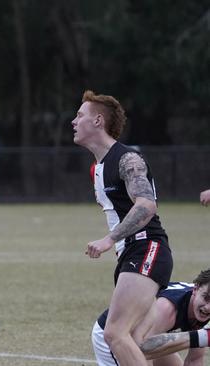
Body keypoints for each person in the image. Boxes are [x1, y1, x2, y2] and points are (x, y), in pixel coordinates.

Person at [72, 90, 173, 366]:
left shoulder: (128, 159)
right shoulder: (98, 167)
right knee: (140, 339)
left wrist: (109, 239)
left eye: (80, 115)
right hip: (134, 253)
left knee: (115, 333)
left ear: (98, 121)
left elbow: (146, 204)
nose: (73, 121)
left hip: (147, 248)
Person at [92, 268, 210, 365]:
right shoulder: (166, 308)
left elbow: (195, 360)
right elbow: (143, 350)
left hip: (148, 338)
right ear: (195, 289)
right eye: (206, 298)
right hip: (114, 334)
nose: (208, 307)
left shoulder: (201, 308)